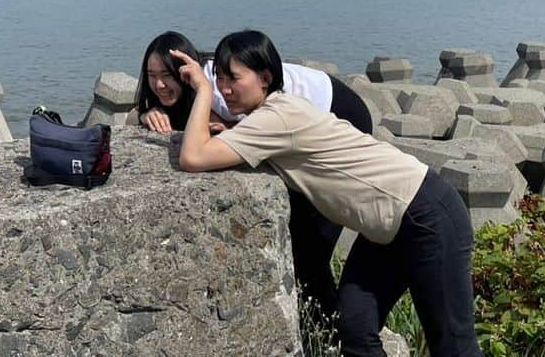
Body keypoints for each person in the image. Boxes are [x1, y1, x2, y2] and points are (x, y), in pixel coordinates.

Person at [174, 30, 482, 357]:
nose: (225, 88)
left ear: (264, 78)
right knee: (354, 324)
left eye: (233, 78)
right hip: (389, 226)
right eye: (218, 78)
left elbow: (192, 158)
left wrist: (202, 90)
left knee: (453, 346)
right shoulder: (274, 114)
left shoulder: (275, 117)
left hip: (425, 214)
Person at [134, 31, 375, 329]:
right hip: (303, 119)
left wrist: (231, 123)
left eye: (167, 75)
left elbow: (199, 152)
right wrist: (147, 113)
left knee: (311, 245)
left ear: (187, 72)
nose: (159, 84)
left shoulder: (221, 87)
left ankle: (327, 331)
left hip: (338, 109)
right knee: (301, 240)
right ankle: (319, 324)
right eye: (151, 75)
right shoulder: (204, 91)